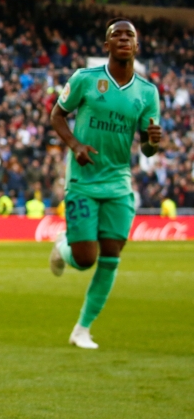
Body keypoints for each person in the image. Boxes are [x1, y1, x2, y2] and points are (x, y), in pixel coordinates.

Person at [49, 19, 161, 349]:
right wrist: (75, 145)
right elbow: (57, 115)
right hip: (83, 181)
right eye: (116, 35)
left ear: (136, 46)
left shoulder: (147, 92)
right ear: (106, 45)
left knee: (111, 255)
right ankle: (63, 247)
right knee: (85, 259)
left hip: (118, 183)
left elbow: (148, 148)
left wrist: (153, 141)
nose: (124, 38)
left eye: (130, 35)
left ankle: (82, 329)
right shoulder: (85, 79)